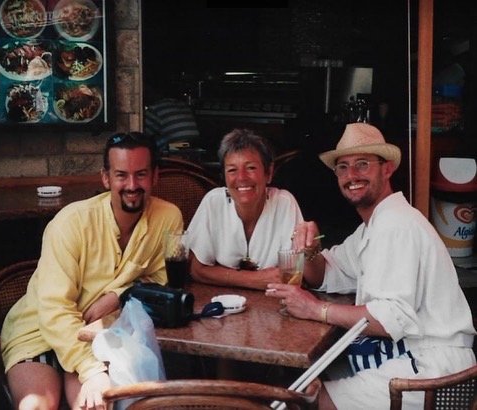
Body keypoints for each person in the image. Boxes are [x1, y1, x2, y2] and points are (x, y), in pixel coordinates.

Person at [266, 123, 476, 409]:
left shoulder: (396, 225)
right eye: (343, 167)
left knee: (305, 399)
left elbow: (390, 319)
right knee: (306, 382)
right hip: (412, 360)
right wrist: (311, 250)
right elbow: (326, 274)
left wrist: (315, 310)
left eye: (362, 164)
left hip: (433, 374)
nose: (352, 175)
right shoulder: (374, 225)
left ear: (387, 169)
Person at [1, 132, 183, 410]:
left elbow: (162, 282)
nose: (132, 185)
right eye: (121, 175)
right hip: (40, 332)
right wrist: (92, 370)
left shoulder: (168, 217)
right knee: (36, 407)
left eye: (141, 174)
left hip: (101, 336)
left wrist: (118, 295)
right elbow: (54, 310)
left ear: (155, 176)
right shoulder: (70, 223)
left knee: (95, 406)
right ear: (106, 178)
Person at [187, 128, 304, 290]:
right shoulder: (213, 202)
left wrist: (221, 275)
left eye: (251, 168)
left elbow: (295, 272)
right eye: (232, 170)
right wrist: (253, 279)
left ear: (268, 173)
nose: (241, 177)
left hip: (271, 302)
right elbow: (196, 270)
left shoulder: (284, 203)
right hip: (222, 300)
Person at [144, 80, 200, 153]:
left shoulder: (155, 108)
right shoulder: (183, 105)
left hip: (175, 147)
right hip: (193, 146)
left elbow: (145, 134)